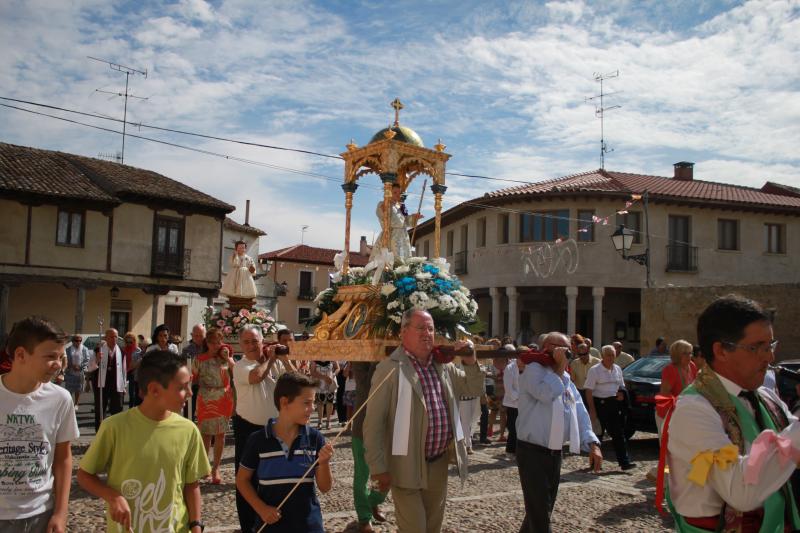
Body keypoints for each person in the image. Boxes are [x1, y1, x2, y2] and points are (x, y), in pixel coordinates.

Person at [667, 295, 800, 531]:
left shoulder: (766, 398)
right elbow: (741, 491)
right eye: (757, 347)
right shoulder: (694, 409)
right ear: (721, 351)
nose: (769, 357)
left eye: (770, 345)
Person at [363, 309, 483, 533]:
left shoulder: (444, 367)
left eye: (430, 328)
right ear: (403, 332)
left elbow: (473, 388)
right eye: (420, 328)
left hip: (438, 463)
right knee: (415, 529)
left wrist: (469, 360)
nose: (427, 333)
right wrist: (378, 467)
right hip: (404, 464)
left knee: (433, 527)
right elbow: (373, 424)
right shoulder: (389, 369)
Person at [78, 350, 209, 533]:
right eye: (182, 387)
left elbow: (191, 484)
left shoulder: (189, 430)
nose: (189, 393)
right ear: (154, 389)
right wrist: (113, 497)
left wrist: (196, 524)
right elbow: (85, 475)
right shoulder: (114, 427)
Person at [516, 331, 602, 533]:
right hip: (532, 452)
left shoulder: (565, 379)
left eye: (568, 349)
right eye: (562, 348)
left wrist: (593, 443)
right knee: (540, 514)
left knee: (540, 510)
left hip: (554, 453)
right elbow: (545, 393)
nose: (567, 353)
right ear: (548, 348)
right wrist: (561, 368)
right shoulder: (533, 370)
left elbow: (578, 411)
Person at [0, 317, 79, 533]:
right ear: (20, 355)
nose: (58, 364)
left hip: (40, 515)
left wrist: (61, 513)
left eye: (61, 357)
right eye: (50, 357)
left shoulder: (60, 399)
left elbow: (63, 457)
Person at [236, 372, 334, 533]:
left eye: (314, 403)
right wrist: (261, 509)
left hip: (309, 526)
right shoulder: (258, 440)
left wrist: (324, 463)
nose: (313, 408)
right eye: (307, 403)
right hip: (270, 527)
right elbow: (242, 480)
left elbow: (325, 487)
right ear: (284, 402)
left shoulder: (315, 438)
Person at [232, 324, 288, 533]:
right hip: (248, 429)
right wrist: (271, 359)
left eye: (255, 341)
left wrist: (283, 359)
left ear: (262, 341)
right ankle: (248, 527)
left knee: (272, 477)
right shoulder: (240, 366)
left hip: (273, 429)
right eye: (246, 342)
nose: (251, 346)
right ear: (240, 345)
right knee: (246, 480)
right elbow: (257, 376)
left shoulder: (272, 363)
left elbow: (295, 381)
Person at [192, 327, 235, 485]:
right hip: (205, 399)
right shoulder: (199, 359)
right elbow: (192, 377)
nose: (217, 345)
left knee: (220, 434)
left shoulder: (224, 357)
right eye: (214, 343)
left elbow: (234, 371)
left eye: (219, 342)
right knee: (205, 434)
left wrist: (229, 358)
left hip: (223, 398)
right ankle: (204, 467)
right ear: (208, 343)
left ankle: (216, 467)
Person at [585, 345, 636, 471]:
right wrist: (592, 410)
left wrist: (621, 395)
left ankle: (624, 462)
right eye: (608, 355)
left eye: (612, 355)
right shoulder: (594, 370)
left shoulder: (617, 369)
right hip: (599, 404)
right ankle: (594, 462)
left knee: (618, 434)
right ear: (602, 356)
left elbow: (621, 386)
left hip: (613, 404)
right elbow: (588, 391)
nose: (610, 357)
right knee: (598, 435)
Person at [350, 362, 388, 533]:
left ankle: (373, 501)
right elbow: (366, 387)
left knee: (389, 474)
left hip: (388, 429)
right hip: (363, 427)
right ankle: (364, 517)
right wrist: (378, 360)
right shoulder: (359, 358)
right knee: (362, 475)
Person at [369, 183, 422, 261]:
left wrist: (414, 217)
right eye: (395, 192)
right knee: (391, 259)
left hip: (403, 237)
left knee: (403, 261)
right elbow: (381, 215)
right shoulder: (383, 204)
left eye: (399, 193)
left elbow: (406, 222)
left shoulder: (401, 206)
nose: (398, 195)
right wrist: (385, 207)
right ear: (388, 192)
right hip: (390, 235)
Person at [88, 328, 127, 431]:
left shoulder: (121, 352)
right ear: (105, 338)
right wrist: (97, 359)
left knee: (117, 410)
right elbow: (90, 368)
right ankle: (100, 433)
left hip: (116, 385)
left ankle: (116, 433)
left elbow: (123, 370)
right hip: (101, 384)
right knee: (100, 411)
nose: (114, 339)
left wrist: (124, 386)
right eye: (111, 336)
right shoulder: (98, 350)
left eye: (116, 337)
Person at [181, 324, 206, 419]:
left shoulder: (210, 348)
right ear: (192, 335)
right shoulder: (186, 350)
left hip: (207, 386)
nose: (199, 338)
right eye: (196, 336)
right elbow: (182, 367)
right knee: (189, 412)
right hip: (193, 385)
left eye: (201, 335)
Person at [503, 355, 525, 455]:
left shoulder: (528, 366)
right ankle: (510, 449)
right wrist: (518, 397)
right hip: (513, 403)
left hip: (525, 403)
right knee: (513, 427)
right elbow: (508, 387)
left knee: (522, 427)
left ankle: (520, 449)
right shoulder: (509, 368)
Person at [311, 360, 339, 430]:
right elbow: (312, 372)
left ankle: (328, 421)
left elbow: (337, 368)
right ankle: (320, 422)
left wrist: (333, 375)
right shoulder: (315, 358)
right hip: (319, 384)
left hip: (330, 383)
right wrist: (324, 377)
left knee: (330, 402)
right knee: (319, 402)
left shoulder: (332, 357)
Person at [64, 334, 90, 406]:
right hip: (70, 372)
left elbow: (87, 359)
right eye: (76, 340)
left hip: (80, 373)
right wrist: (72, 366)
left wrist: (80, 366)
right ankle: (68, 404)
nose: (78, 342)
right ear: (72, 341)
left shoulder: (84, 349)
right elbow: (65, 360)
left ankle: (76, 404)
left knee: (78, 389)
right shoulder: (68, 349)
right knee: (68, 390)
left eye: (80, 340)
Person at [123, 332, 143, 409]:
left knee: (132, 393)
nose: (129, 344)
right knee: (121, 391)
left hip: (132, 372)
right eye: (127, 342)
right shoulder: (123, 349)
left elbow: (137, 363)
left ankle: (131, 408)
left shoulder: (138, 350)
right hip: (124, 371)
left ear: (134, 341)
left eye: (131, 342)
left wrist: (130, 369)